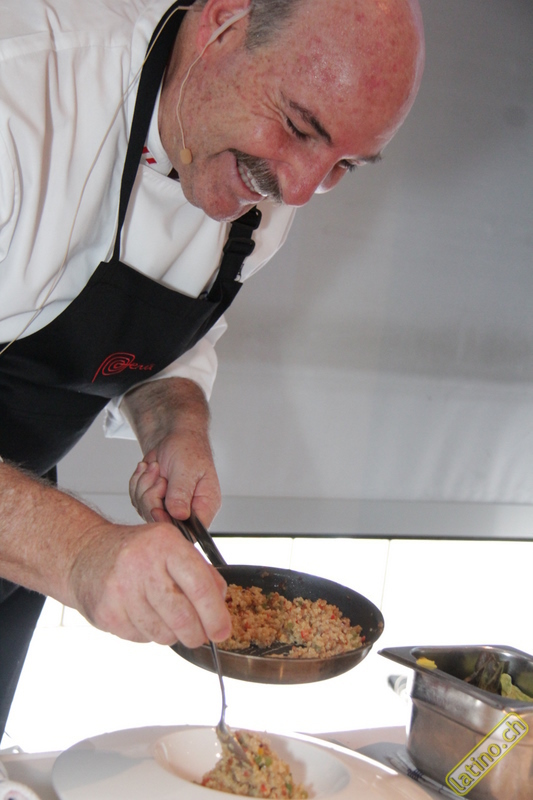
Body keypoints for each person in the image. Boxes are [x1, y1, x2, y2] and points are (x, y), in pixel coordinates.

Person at [0, 0, 425, 737]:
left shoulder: (258, 181)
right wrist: (78, 551)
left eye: (343, 166)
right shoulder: (21, 95)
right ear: (223, 24)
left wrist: (177, 421)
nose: (299, 190)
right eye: (299, 127)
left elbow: (164, 322)